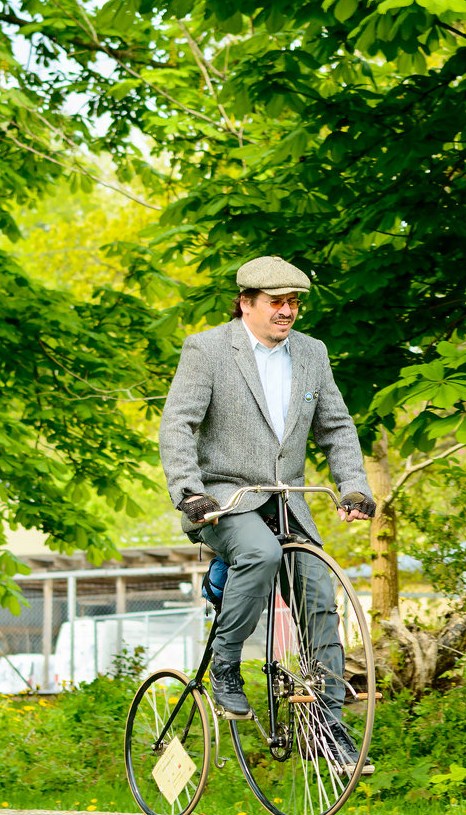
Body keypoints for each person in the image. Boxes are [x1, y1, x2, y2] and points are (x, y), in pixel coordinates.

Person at [159, 255, 376, 770]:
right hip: (225, 498)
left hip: (289, 501)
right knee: (259, 554)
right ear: (246, 303)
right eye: (276, 302)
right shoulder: (208, 350)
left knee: (320, 599)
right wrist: (189, 491)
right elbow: (177, 425)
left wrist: (354, 487)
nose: (287, 312)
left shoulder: (312, 353)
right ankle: (227, 665)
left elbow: (337, 427)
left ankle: (329, 728)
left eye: (293, 302)